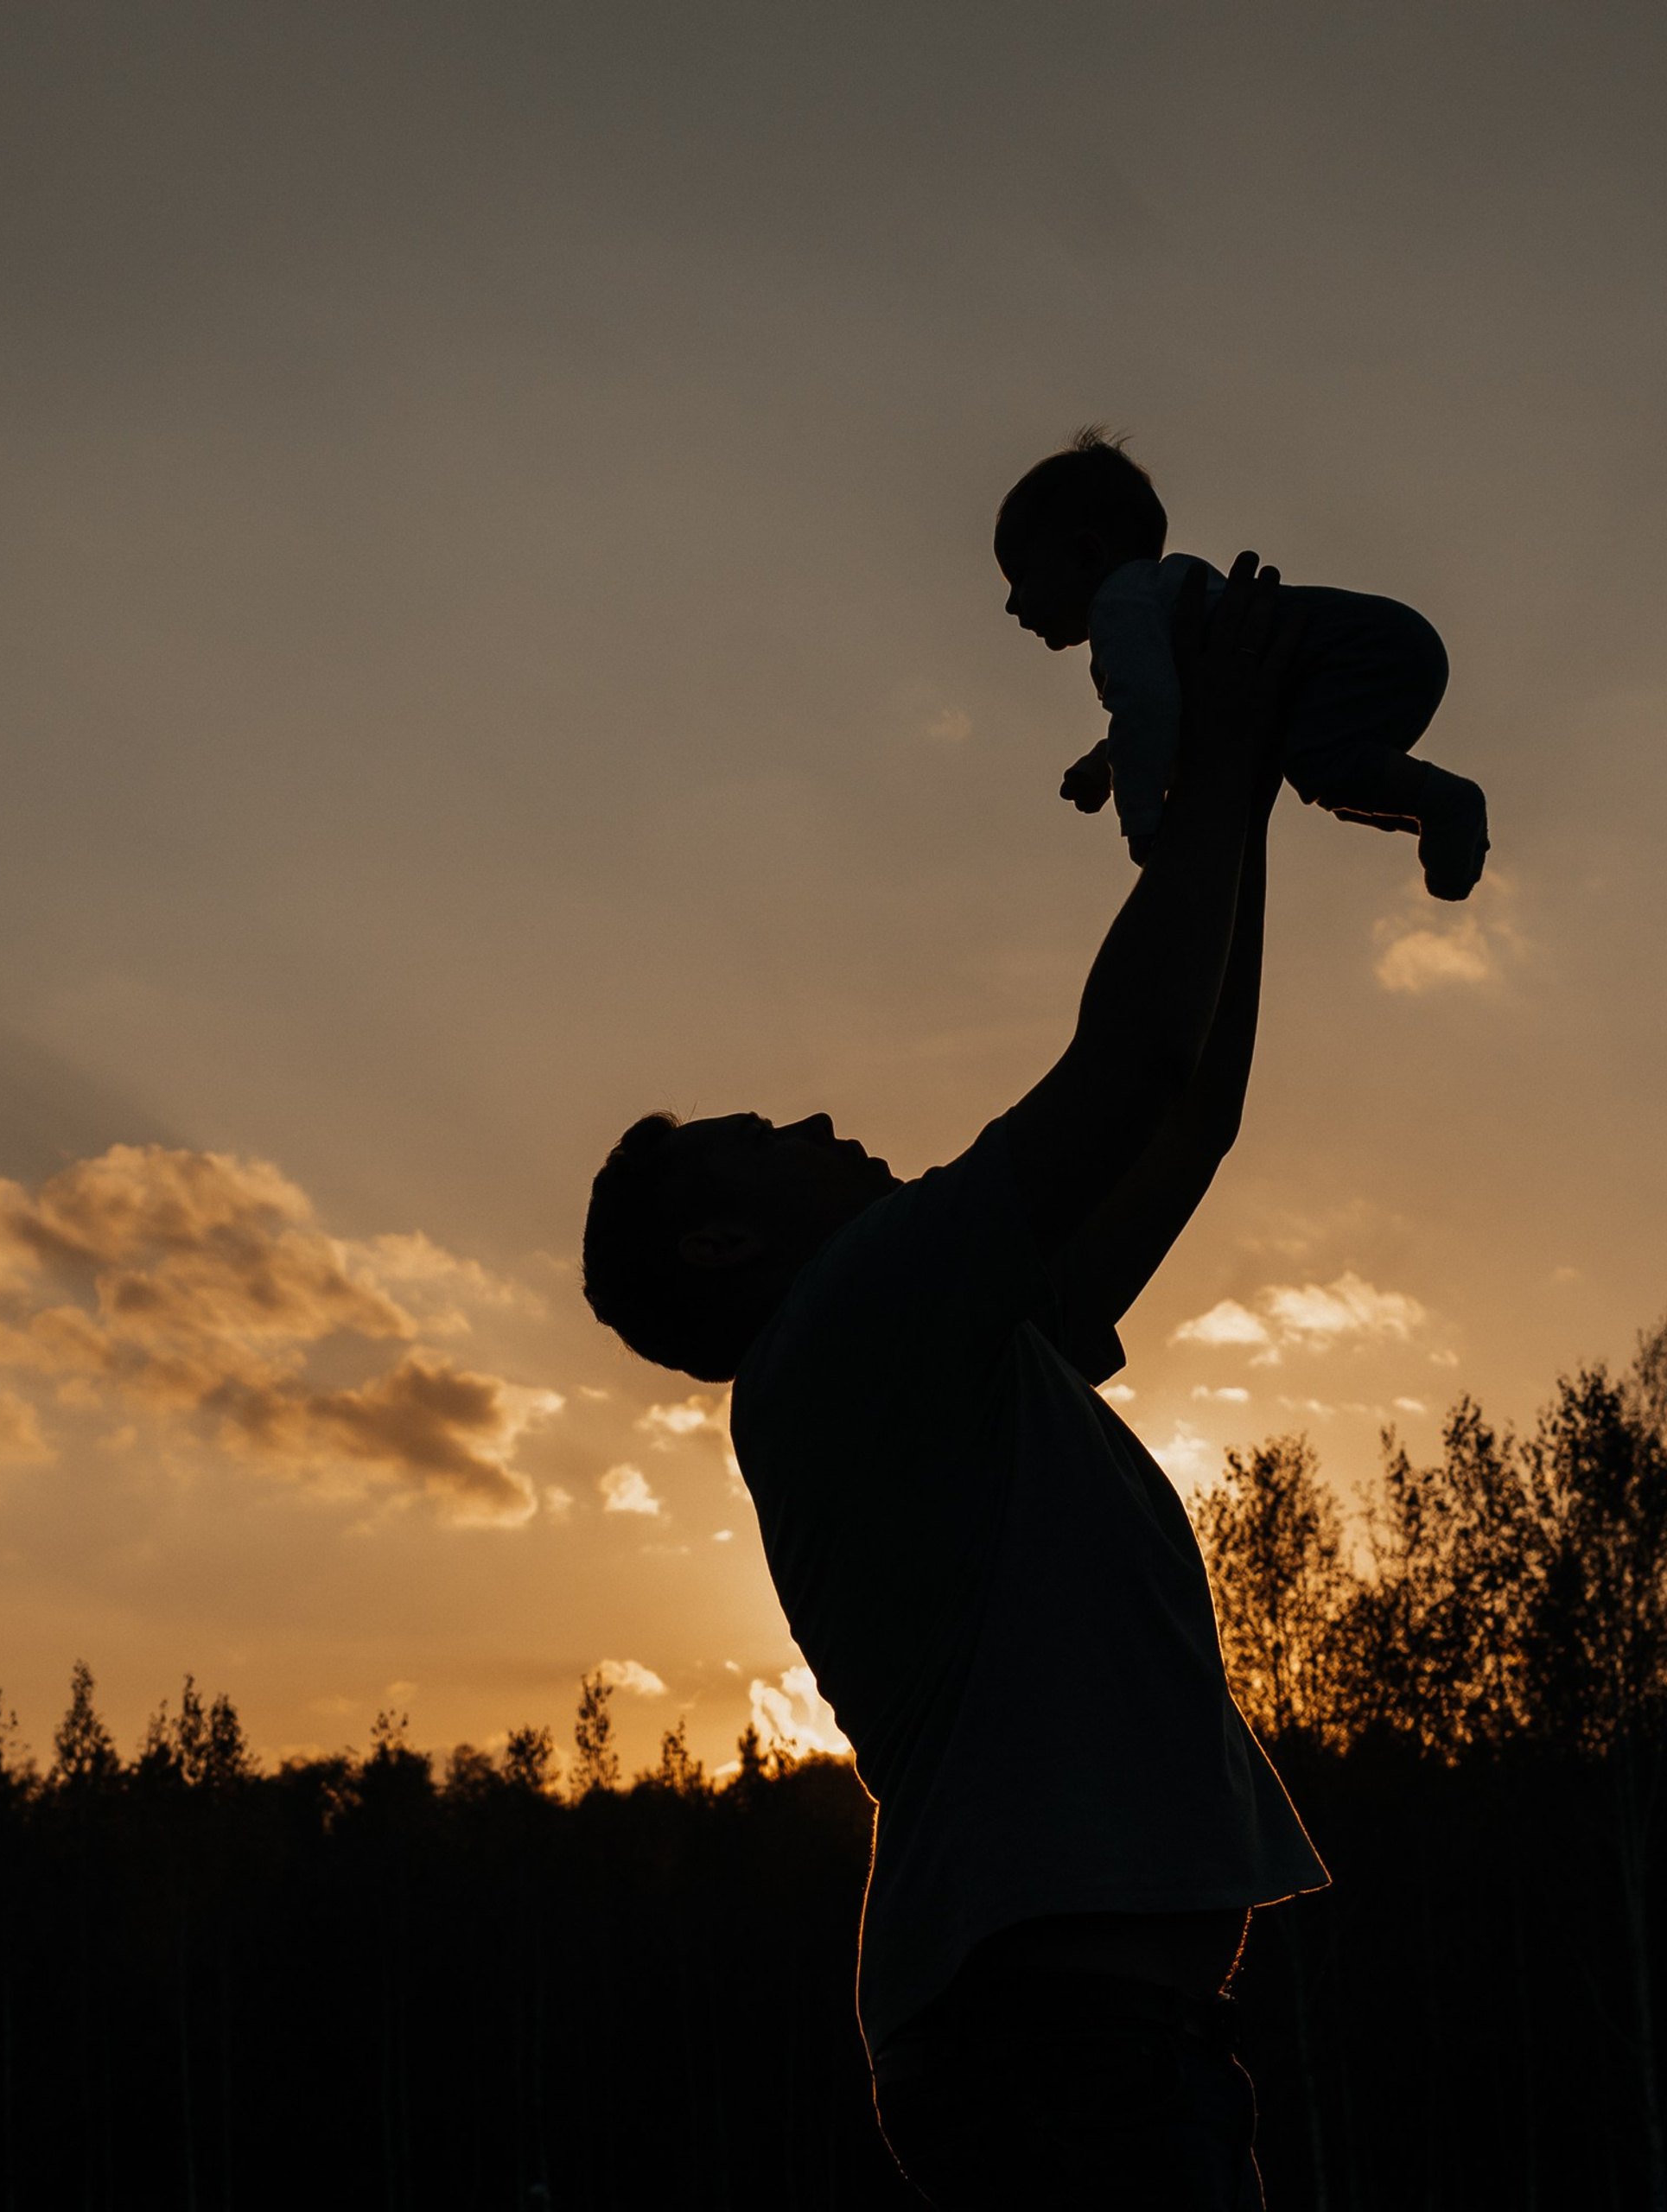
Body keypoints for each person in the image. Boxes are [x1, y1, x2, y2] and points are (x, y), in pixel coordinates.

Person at [581, 554, 1328, 2209]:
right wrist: (1218, 768)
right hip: (1063, 2061)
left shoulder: (935, 1353)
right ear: (720, 1247)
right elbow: (1131, 1064)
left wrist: (1244, 785)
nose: (819, 1125)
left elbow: (1183, 1107)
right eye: (761, 1138)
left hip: (1083, 2054)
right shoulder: (848, 1326)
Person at [997, 428, 1489, 899]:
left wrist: (1143, 824)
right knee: (1327, 775)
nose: (1012, 605)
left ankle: (1447, 803)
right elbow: (1172, 722)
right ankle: (1438, 813)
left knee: (1321, 764)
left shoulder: (1119, 604)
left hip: (1364, 652)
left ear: (1087, 553)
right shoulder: (1157, 606)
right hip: (1392, 643)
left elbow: (1147, 709)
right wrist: (1105, 765)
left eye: (1020, 577)